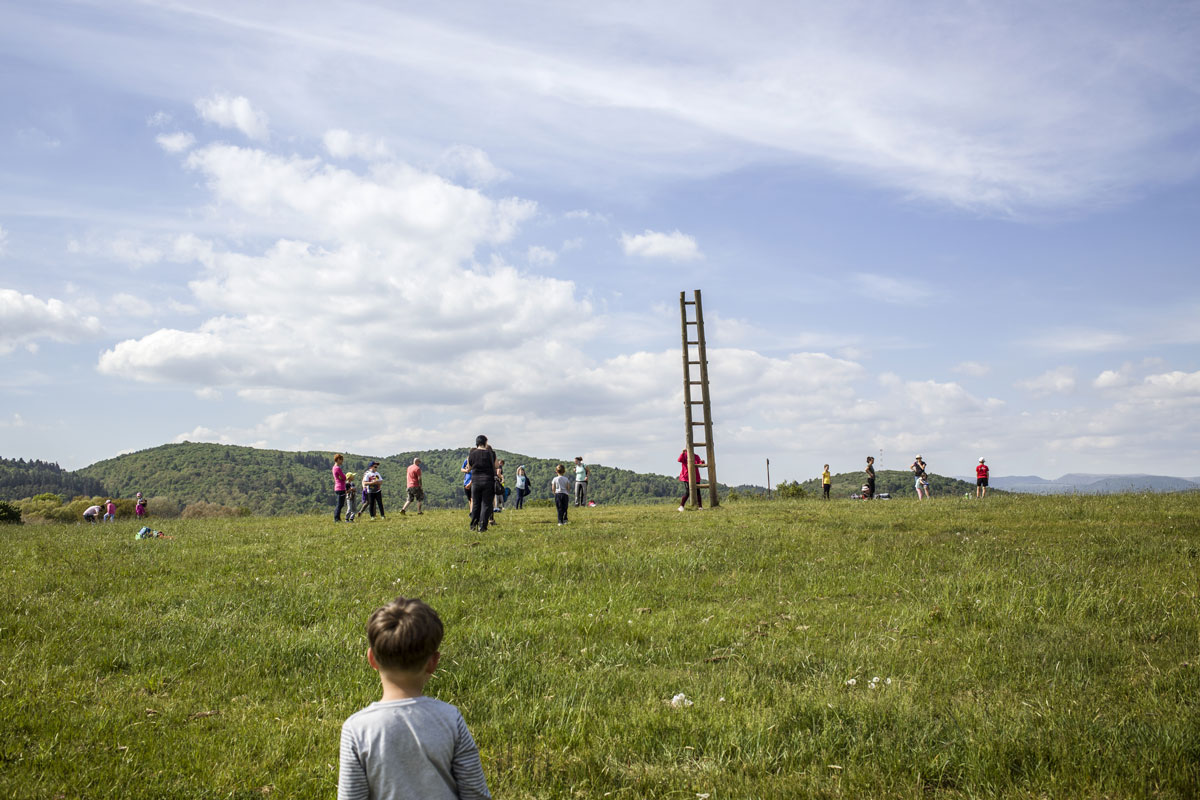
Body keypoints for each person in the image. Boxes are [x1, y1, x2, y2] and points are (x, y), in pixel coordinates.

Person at [338, 596, 491, 800]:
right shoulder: (450, 719)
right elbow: (476, 794)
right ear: (433, 662)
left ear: (372, 659)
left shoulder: (357, 729)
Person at [463, 436, 497, 532]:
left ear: (477, 443)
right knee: (486, 504)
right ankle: (482, 527)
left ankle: (473, 525)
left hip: (476, 482)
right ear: (485, 443)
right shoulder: (491, 454)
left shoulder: (471, 454)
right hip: (488, 481)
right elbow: (496, 465)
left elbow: (469, 468)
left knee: (476, 504)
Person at [333, 454, 349, 522]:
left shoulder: (334, 467)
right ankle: (336, 518)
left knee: (340, 504)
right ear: (338, 459)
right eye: (341, 460)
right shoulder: (337, 468)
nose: (342, 461)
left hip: (337, 487)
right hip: (340, 487)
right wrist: (345, 477)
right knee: (340, 504)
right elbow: (344, 477)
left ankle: (338, 518)